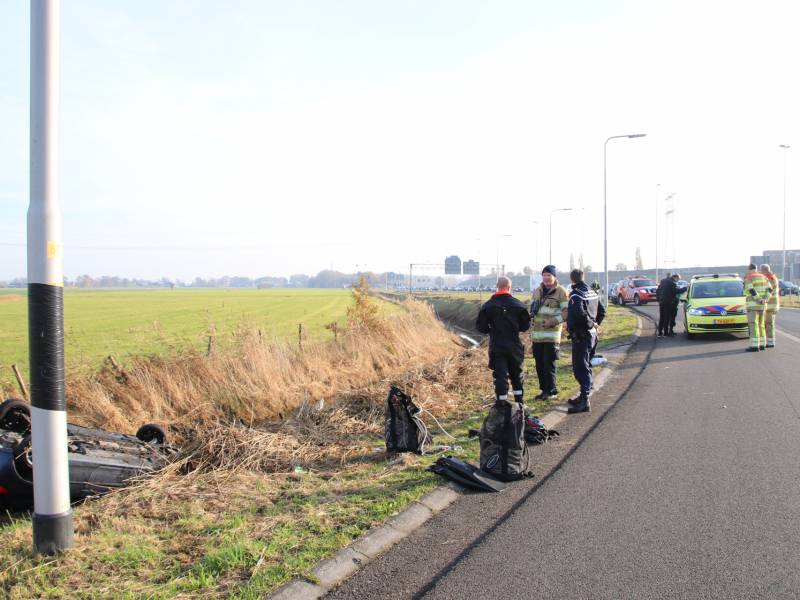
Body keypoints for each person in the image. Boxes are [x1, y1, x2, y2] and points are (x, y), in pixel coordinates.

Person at [476, 276, 531, 403]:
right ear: (509, 287)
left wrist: (492, 330)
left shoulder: (488, 306)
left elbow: (481, 327)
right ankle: (519, 403)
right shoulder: (519, 305)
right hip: (514, 345)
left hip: (497, 345)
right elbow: (525, 326)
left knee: (500, 376)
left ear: (497, 286)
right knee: (516, 374)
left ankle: (501, 404)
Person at [566, 269, 605, 413]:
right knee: (586, 365)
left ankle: (584, 400)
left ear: (572, 279)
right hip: (592, 335)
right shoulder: (592, 292)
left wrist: (590, 324)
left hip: (582, 336)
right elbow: (602, 311)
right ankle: (583, 395)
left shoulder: (576, 295)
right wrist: (596, 324)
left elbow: (579, 314)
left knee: (580, 368)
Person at [529, 265, 569, 400]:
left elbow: (566, 312)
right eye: (544, 275)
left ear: (554, 277)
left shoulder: (561, 292)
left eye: (549, 275)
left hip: (551, 335)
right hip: (537, 335)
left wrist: (553, 321)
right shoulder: (537, 291)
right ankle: (544, 390)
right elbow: (532, 309)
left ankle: (552, 391)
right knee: (539, 364)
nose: (546, 278)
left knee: (548, 363)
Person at [743, 263, 772, 352]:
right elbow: (770, 289)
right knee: (761, 325)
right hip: (763, 305)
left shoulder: (749, 277)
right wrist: (765, 299)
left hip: (753, 305)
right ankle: (762, 345)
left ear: (749, 269)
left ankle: (755, 346)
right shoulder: (764, 277)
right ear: (756, 268)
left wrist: (759, 299)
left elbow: (751, 290)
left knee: (753, 324)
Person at [760, 264, 780, 348]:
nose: (760, 273)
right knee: (767, 323)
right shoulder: (770, 277)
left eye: (761, 271)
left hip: (771, 305)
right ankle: (768, 341)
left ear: (764, 270)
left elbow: (769, 291)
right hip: (770, 304)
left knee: (769, 323)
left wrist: (763, 299)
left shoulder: (771, 278)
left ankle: (771, 342)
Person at [656, 272, 675, 337]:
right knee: (667, 317)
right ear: (670, 276)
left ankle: (660, 333)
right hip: (667, 302)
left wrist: (658, 300)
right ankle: (666, 333)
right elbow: (674, 292)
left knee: (662, 317)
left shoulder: (662, 281)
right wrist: (684, 289)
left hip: (661, 302)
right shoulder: (671, 282)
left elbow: (658, 291)